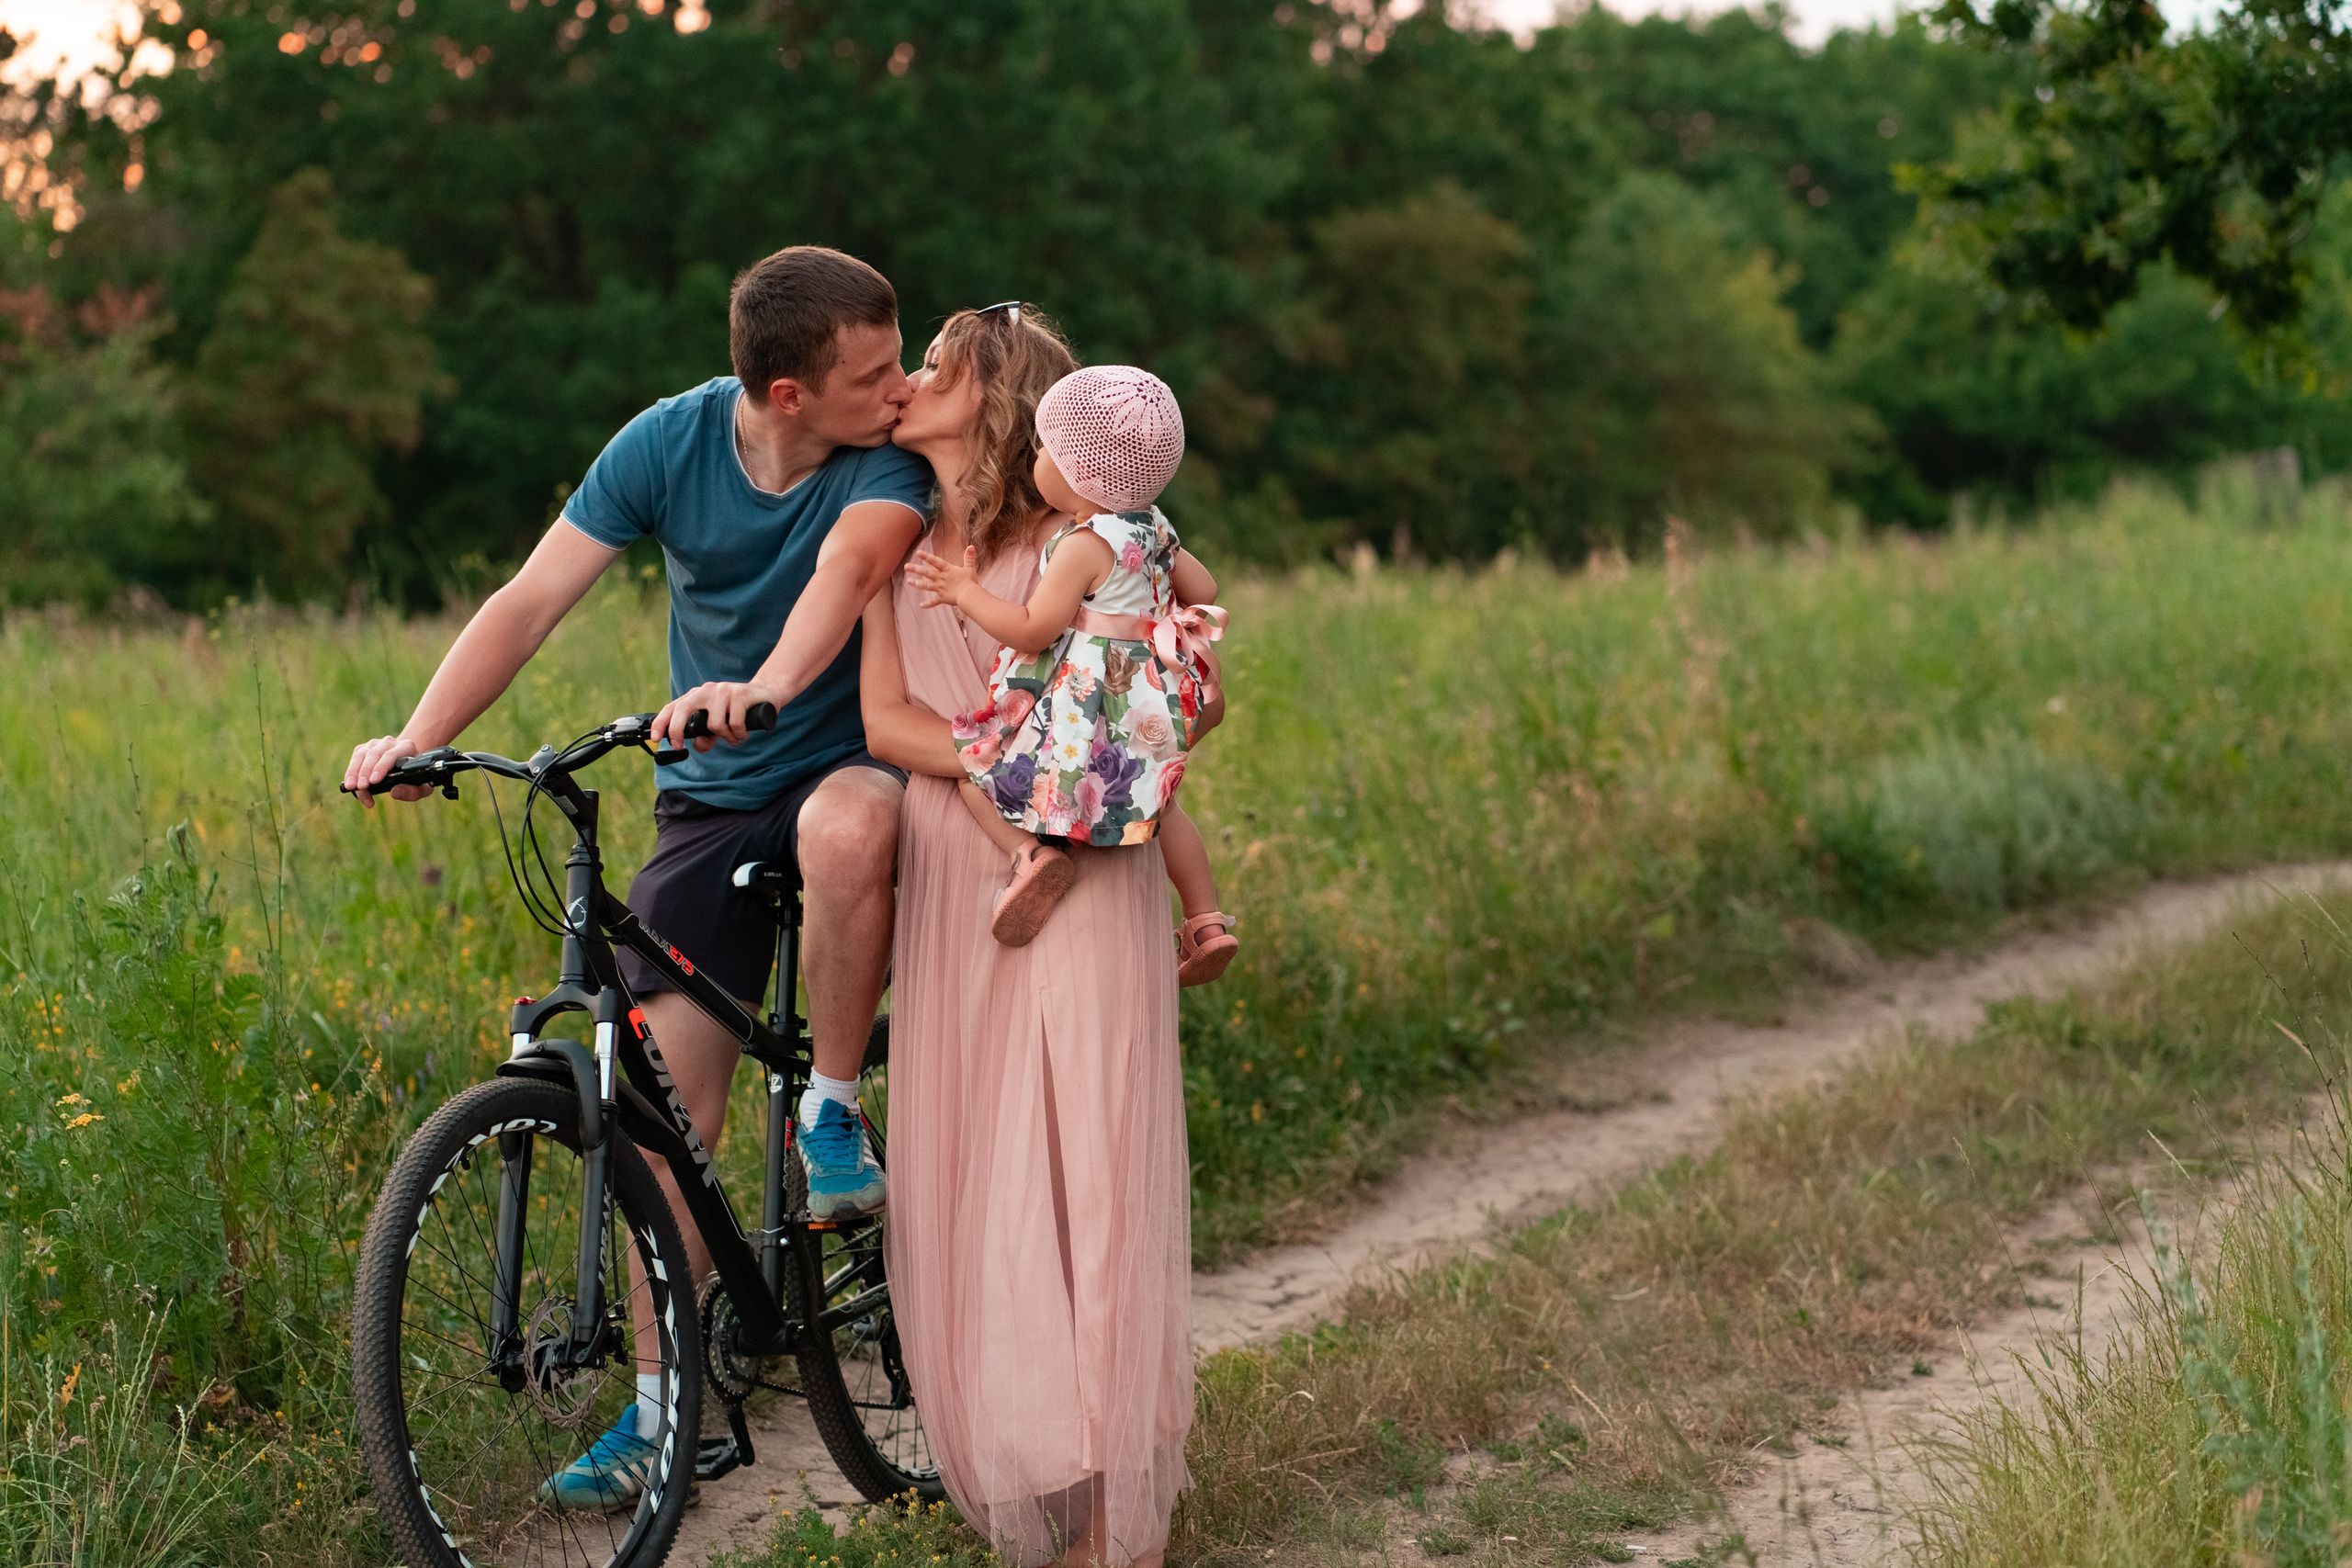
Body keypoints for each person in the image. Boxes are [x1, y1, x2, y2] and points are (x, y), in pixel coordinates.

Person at [339, 244, 931, 1505]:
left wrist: (765, 690)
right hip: (708, 797)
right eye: (876, 372)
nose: (904, 386)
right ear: (785, 392)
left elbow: (848, 576)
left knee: (843, 831)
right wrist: (419, 731)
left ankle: (830, 1107)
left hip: (839, 762)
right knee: (665, 1121)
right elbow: (529, 598)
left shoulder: (892, 460)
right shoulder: (666, 444)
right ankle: (672, 1414)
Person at [858, 302, 1198, 1567]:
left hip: (1086, 865)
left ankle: (1120, 1512)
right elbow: (885, 715)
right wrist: (1005, 776)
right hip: (967, 864)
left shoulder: (1081, 539)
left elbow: (1164, 692)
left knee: (1090, 1166)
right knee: (984, 1159)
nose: (911, 380)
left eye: (937, 365)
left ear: (996, 394)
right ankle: (1038, 1465)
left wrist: (1053, 791)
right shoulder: (892, 533)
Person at [903, 365, 1238, 983]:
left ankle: (1030, 856)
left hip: (1087, 701)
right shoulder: (1156, 526)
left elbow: (1033, 627)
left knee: (973, 769)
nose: (1037, 461)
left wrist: (965, 592)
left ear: (1076, 473)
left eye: (1045, 449)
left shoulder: (1084, 544)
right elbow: (1206, 589)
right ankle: (1207, 922)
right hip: (1146, 698)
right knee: (1161, 809)